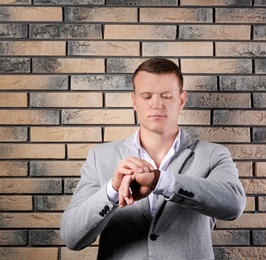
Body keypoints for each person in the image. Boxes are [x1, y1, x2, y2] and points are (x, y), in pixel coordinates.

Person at [60, 58, 246, 260]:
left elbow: (233, 205)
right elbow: (72, 238)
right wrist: (112, 190)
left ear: (182, 100)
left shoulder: (213, 154)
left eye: (166, 96)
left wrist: (161, 180)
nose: (157, 104)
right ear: (134, 101)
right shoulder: (100, 157)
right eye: (147, 96)